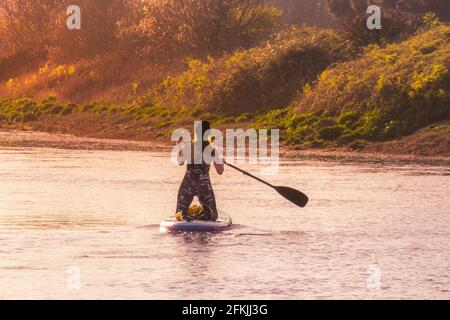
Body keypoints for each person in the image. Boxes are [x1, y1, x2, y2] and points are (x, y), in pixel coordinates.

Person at [175, 121, 224, 222]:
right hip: (204, 185)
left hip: (188, 184)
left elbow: (180, 162)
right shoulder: (212, 150)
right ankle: (207, 214)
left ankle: (184, 215)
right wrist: (220, 160)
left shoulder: (188, 146)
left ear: (195, 133)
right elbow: (220, 171)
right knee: (213, 216)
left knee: (179, 213)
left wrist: (179, 146)